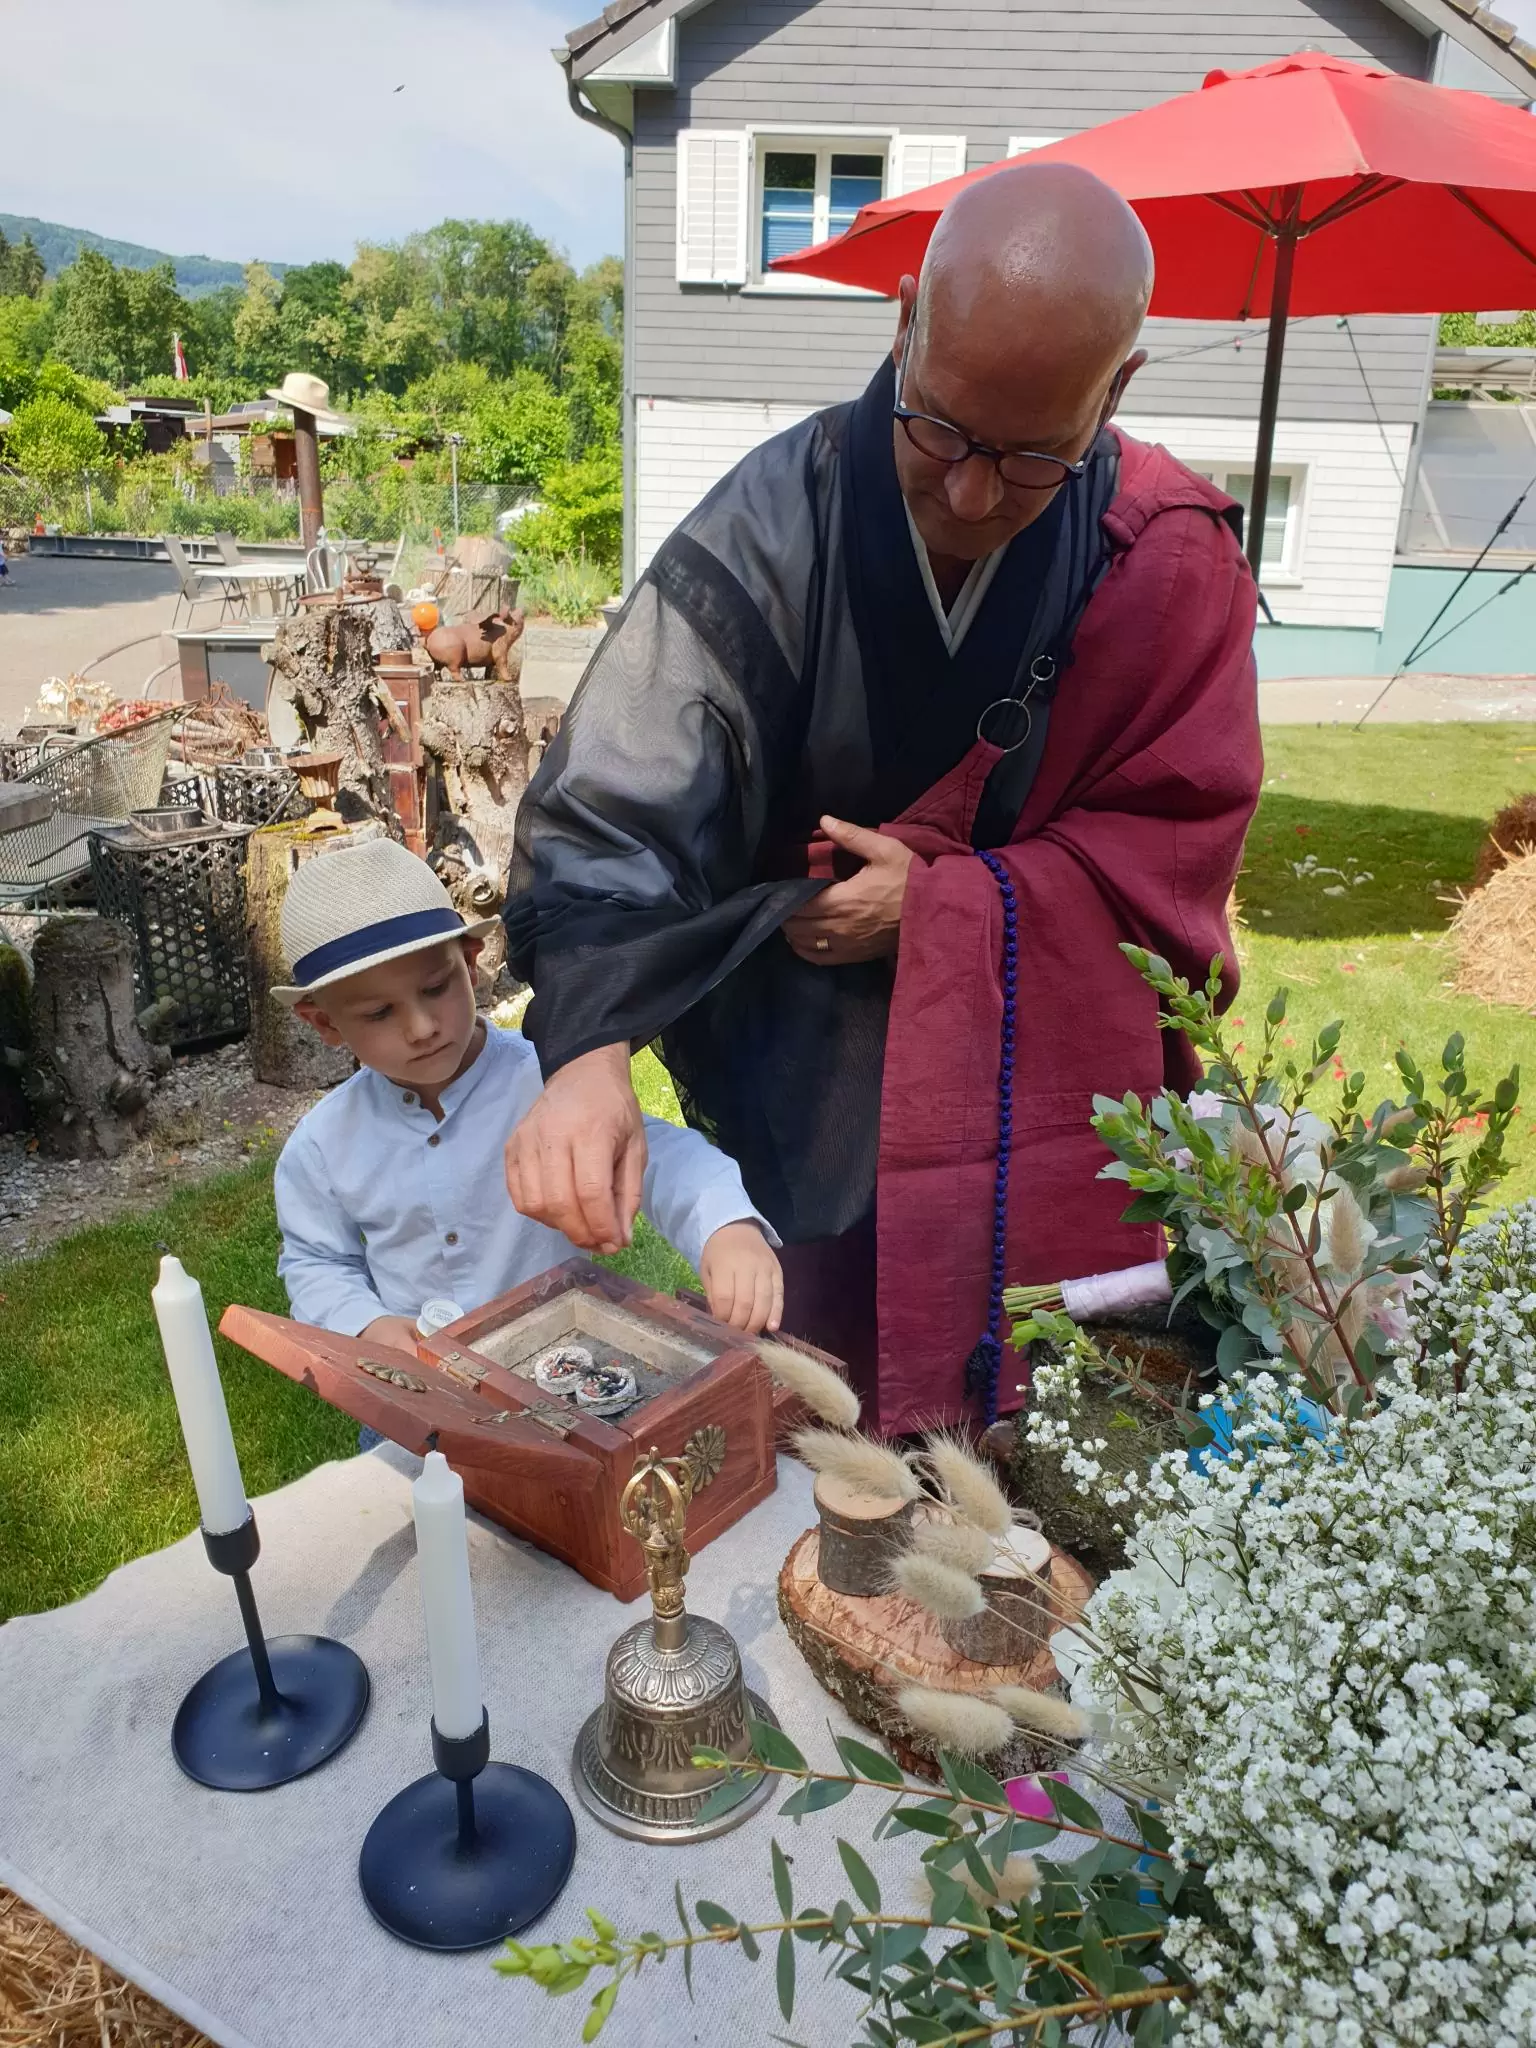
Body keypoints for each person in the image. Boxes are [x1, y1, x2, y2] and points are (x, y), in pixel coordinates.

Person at [503, 161, 1263, 1434]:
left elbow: (1172, 855)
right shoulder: (774, 519)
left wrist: (956, 904)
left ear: (1116, 393)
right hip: (809, 1061)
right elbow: (615, 806)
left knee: (1035, 1418)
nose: (970, 495)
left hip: (1030, 1075)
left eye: (1029, 460)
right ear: (904, 321)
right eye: (942, 430)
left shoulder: (1163, 559)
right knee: (831, 1410)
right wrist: (587, 1051)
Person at [271, 839, 784, 1349]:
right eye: (380, 1013)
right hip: (422, 1389)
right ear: (324, 1023)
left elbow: (661, 1159)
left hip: (560, 1362)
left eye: (436, 988)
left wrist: (725, 1227)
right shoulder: (323, 1144)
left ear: (470, 963)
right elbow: (317, 1261)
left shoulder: (548, 1082)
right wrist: (366, 1324)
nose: (422, 1027)